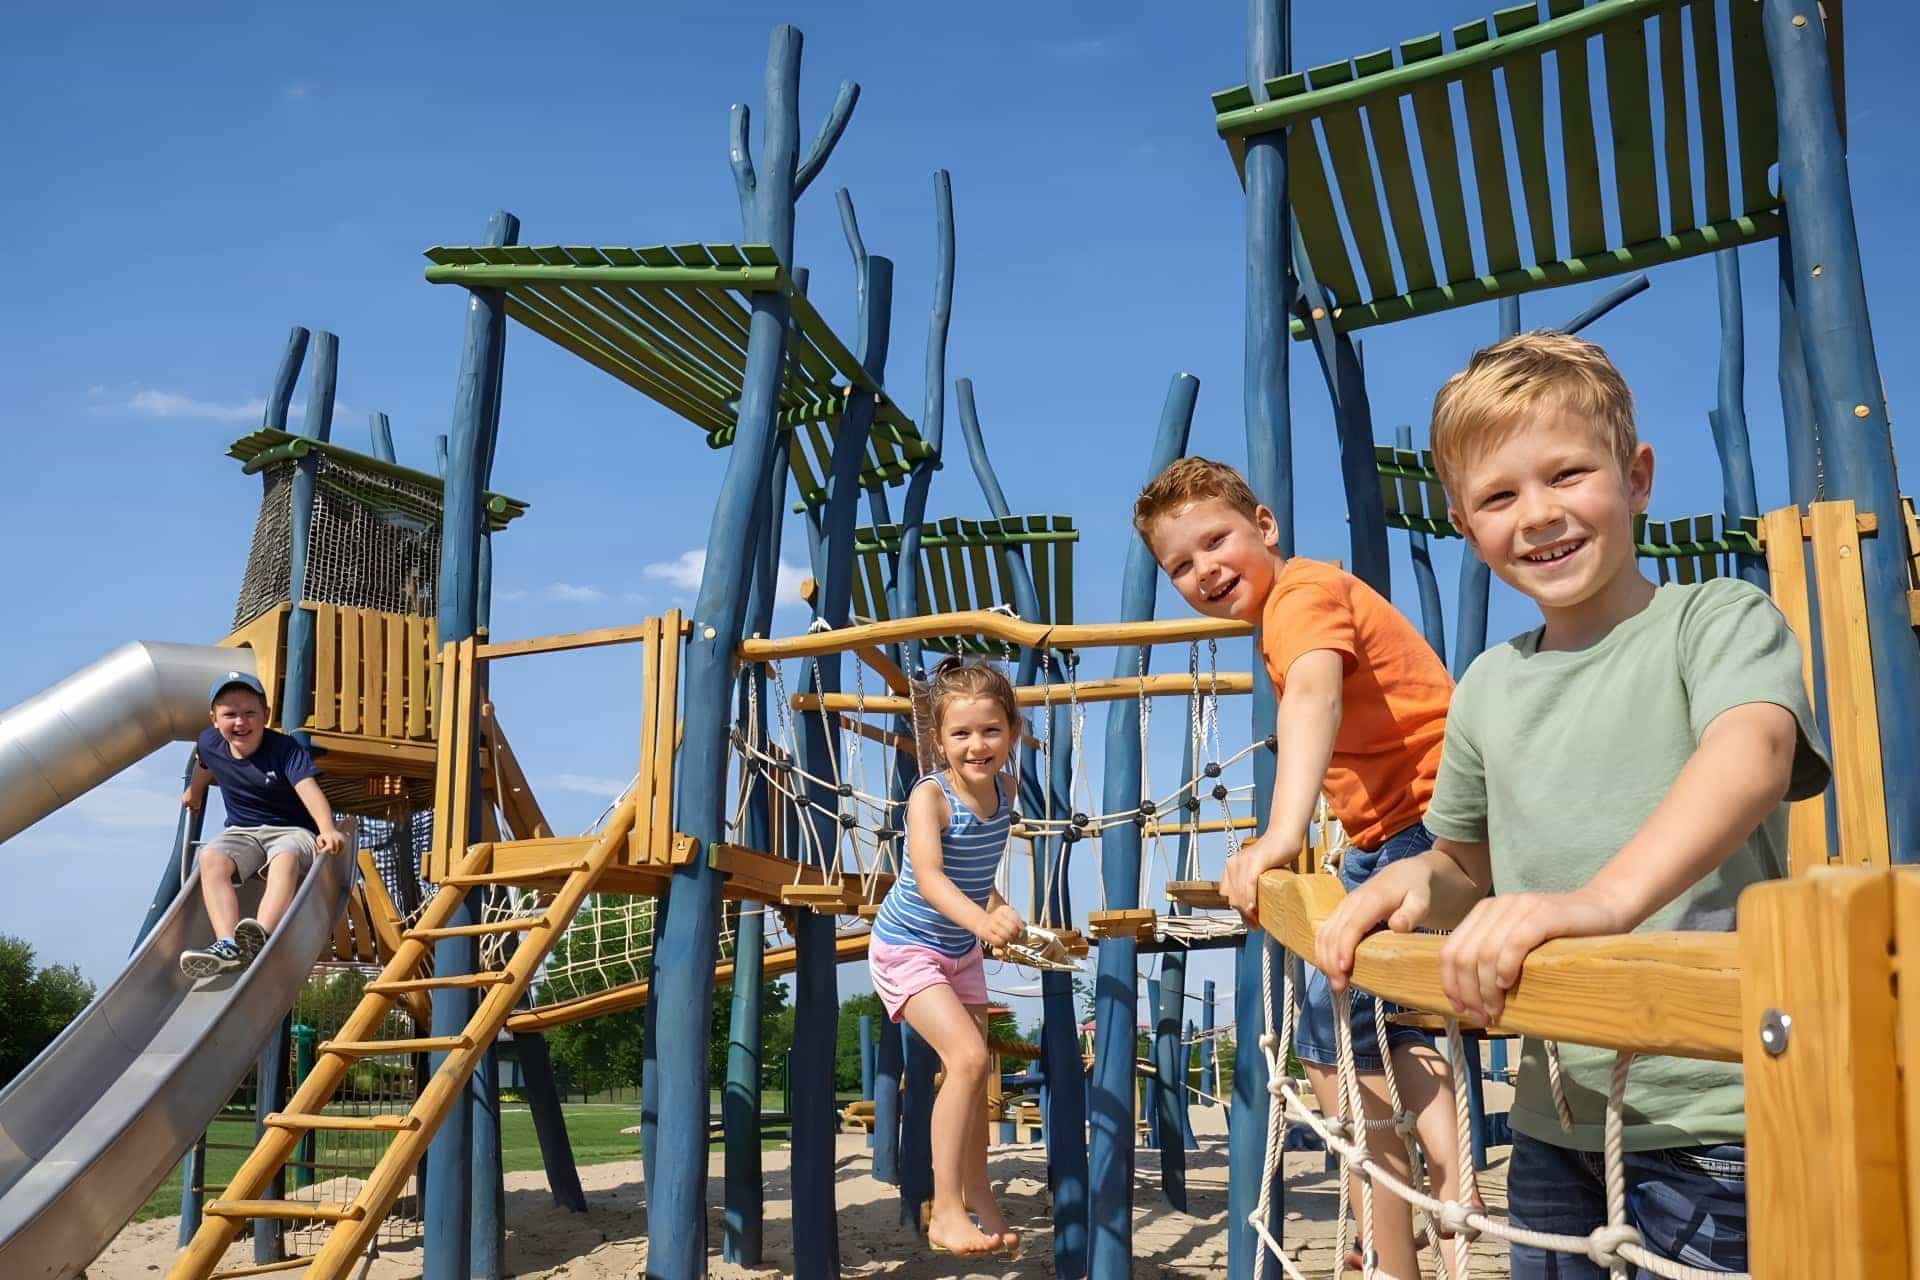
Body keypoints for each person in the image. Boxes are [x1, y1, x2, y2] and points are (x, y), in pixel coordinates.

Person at [1315, 331, 1831, 1276]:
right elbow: (1465, 864)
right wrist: (1410, 885)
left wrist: (1596, 905)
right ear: (1465, 526)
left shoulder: (1712, 618)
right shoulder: (1486, 686)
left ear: (1635, 476)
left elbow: (1752, 754)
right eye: (1500, 496)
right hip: (1553, 1111)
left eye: (1567, 474)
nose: (1539, 514)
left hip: (1713, 1107)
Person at [1135, 456, 1471, 1278]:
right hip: (1395, 833)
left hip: (1422, 825)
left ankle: (1390, 1244)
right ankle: (1445, 1193)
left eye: (1215, 541)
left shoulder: (1299, 599)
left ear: (1265, 526)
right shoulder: (1297, 601)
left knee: (1331, 1033)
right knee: (1383, 1029)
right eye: (1179, 564)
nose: (1203, 569)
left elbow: (1313, 699)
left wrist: (1279, 837)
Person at [868, 657, 1024, 1259]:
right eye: (961, 734)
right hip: (907, 947)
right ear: (939, 742)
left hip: (958, 951)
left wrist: (1003, 912)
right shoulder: (929, 798)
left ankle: (981, 1198)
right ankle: (946, 1210)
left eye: (990, 731)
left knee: (976, 1072)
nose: (977, 745)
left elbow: (974, 873)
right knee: (965, 1057)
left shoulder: (1006, 791)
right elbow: (932, 880)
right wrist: (983, 920)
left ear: (1011, 731)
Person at [178, 671, 347, 978]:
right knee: (210, 858)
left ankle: (261, 937)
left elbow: (308, 789)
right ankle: (228, 944)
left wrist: (327, 828)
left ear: (266, 716)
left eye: (249, 713)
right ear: (214, 718)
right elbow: (204, 764)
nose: (240, 722)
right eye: (230, 714)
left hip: (292, 830)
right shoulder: (209, 742)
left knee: (285, 858)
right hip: (243, 830)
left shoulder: (284, 750)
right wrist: (195, 790)